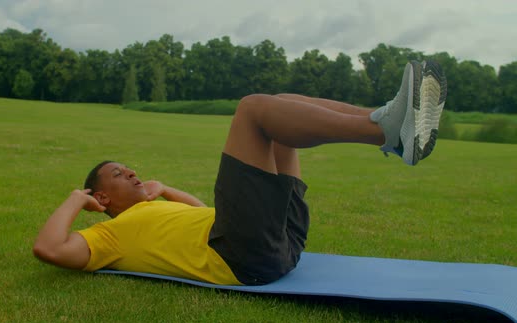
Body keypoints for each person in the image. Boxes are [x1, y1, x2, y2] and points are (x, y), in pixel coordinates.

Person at [33, 60, 447, 285]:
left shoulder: (151, 212)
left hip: (278, 241)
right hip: (244, 257)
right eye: (120, 175)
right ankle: (385, 133)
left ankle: (385, 122)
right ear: (101, 198)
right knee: (253, 108)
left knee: (280, 103)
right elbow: (49, 249)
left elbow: (204, 213)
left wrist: (166, 190)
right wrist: (76, 198)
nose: (133, 173)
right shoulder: (105, 237)